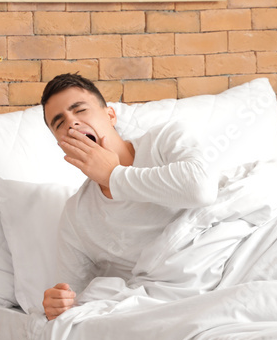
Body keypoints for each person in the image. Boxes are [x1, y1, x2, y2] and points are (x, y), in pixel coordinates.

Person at [40, 73, 219, 320]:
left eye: (80, 110)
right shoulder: (76, 215)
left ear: (110, 116)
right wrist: (57, 302)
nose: (72, 124)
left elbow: (202, 189)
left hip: (225, 259)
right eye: (59, 124)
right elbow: (73, 295)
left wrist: (113, 176)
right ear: (59, 142)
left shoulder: (164, 140)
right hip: (166, 299)